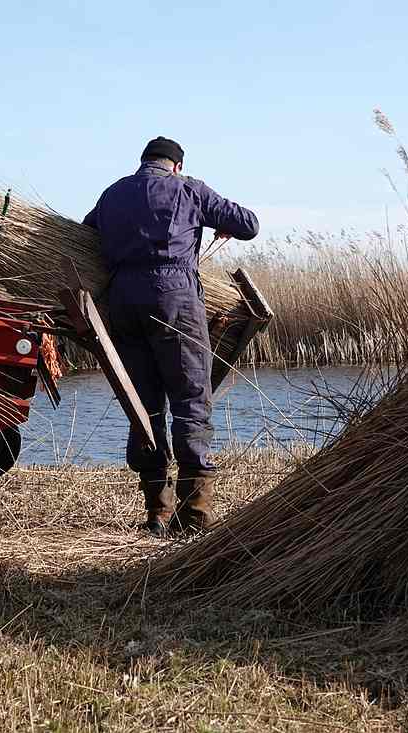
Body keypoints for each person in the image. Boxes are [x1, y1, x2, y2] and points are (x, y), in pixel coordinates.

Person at [83, 136, 259, 536]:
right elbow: (248, 224)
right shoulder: (189, 188)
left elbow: (86, 232)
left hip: (123, 303)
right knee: (190, 398)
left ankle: (157, 512)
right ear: (176, 165)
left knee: (143, 405)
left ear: (144, 161)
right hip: (174, 298)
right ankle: (195, 512)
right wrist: (216, 222)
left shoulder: (112, 194)